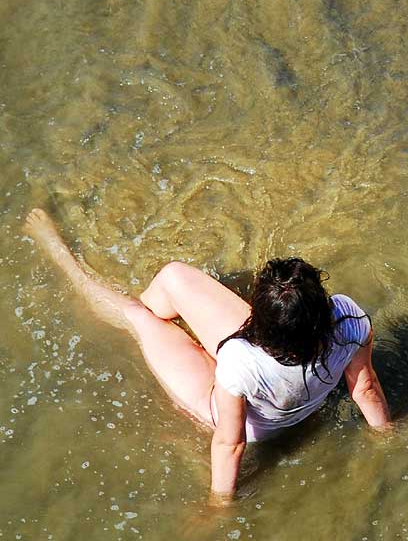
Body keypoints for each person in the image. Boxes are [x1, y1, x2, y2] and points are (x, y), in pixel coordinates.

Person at [24, 209, 391, 503]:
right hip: (295, 391)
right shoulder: (348, 318)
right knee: (174, 278)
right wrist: (386, 434)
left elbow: (231, 442)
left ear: (259, 321)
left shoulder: (237, 357)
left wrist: (218, 505)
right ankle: (165, 324)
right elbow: (365, 388)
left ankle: (64, 260)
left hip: (234, 411)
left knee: (139, 315)